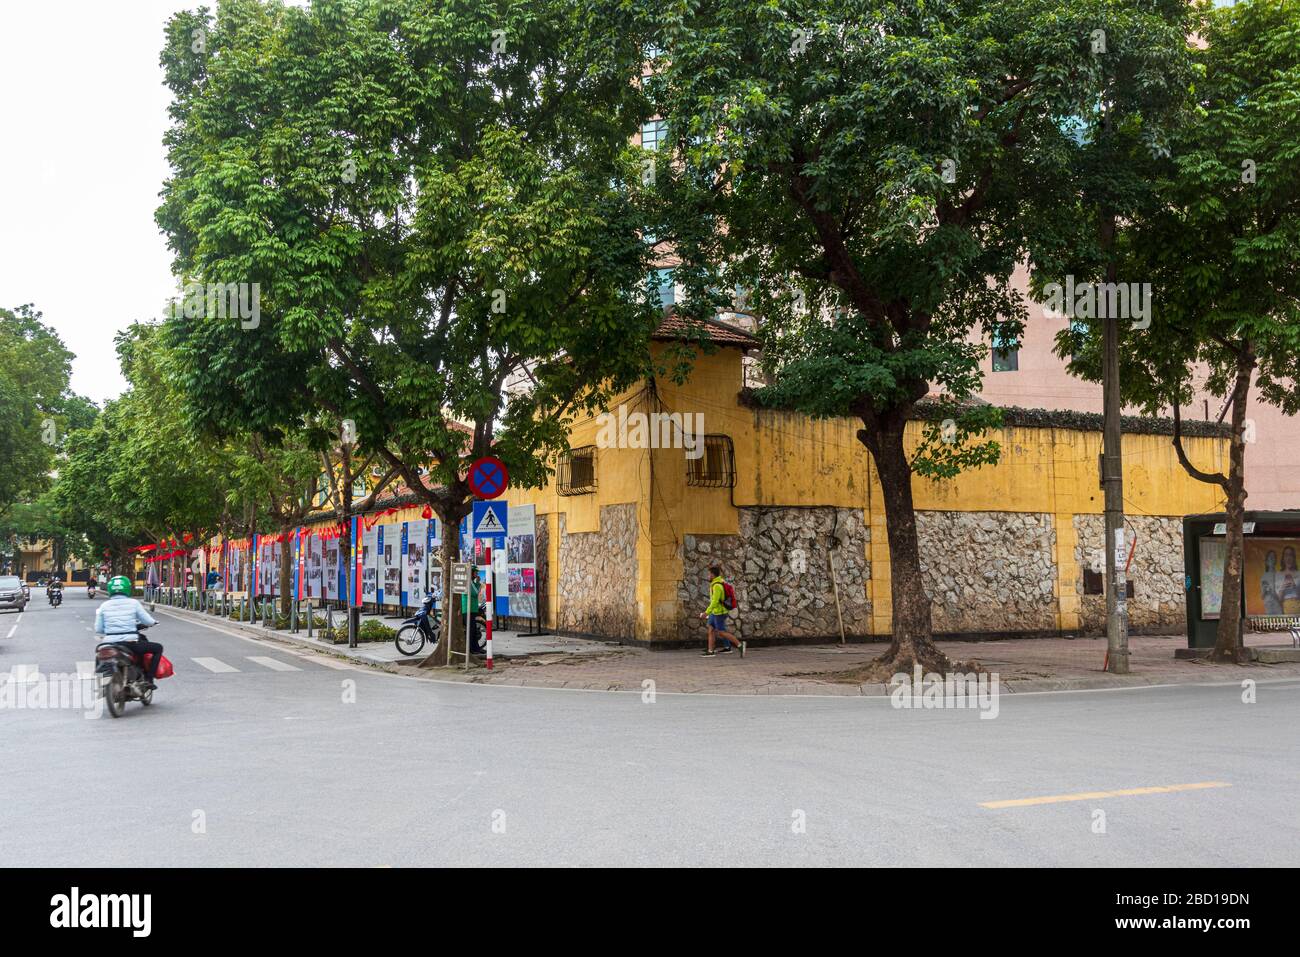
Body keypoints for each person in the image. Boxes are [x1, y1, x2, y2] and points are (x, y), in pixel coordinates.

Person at [94, 575, 163, 689]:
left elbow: (99, 629)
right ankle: (149, 679)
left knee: (99, 654)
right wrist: (153, 622)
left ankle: (101, 678)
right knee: (158, 648)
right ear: (127, 588)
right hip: (129, 642)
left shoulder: (104, 605)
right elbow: (147, 621)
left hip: (109, 643)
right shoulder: (133, 603)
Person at [698, 564, 744, 657]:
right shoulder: (718, 582)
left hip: (719, 612)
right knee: (711, 629)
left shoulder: (717, 586)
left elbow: (715, 601)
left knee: (721, 632)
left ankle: (740, 645)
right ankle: (711, 651)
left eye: (709, 574)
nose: (708, 576)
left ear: (713, 575)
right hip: (715, 612)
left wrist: (706, 612)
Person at [461, 567, 487, 655]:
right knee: (471, 630)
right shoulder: (468, 582)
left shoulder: (471, 582)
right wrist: (478, 583)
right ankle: (472, 649)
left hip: (471, 608)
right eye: (475, 572)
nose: (477, 574)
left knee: (473, 629)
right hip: (467, 609)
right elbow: (475, 593)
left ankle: (476, 648)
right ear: (471, 573)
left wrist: (476, 582)